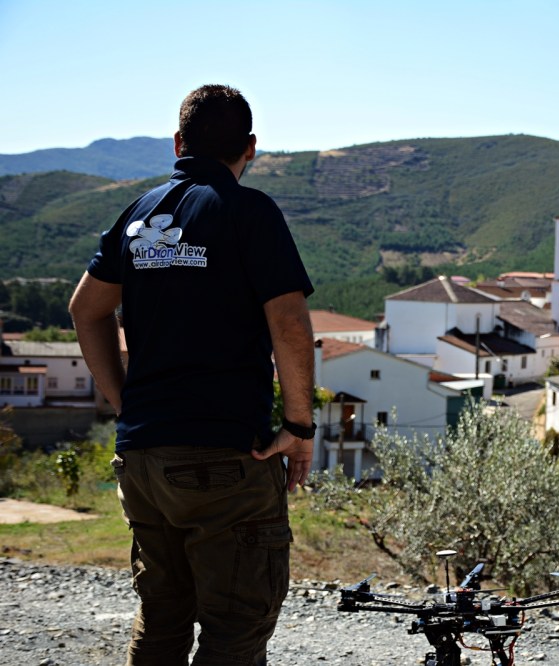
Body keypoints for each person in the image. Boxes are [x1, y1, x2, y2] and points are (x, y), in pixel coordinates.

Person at [69, 84, 315, 665]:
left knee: (162, 620)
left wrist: (124, 403)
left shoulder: (138, 214)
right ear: (250, 148)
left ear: (178, 143)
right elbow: (291, 324)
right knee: (235, 628)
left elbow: (86, 309)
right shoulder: (249, 212)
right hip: (224, 455)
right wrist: (299, 427)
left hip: (145, 460)